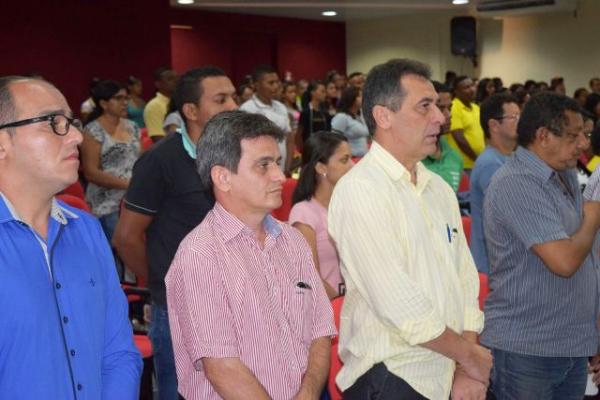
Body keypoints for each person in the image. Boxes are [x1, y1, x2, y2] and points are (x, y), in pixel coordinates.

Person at [328, 59, 490, 400]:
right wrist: (470, 356)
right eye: (424, 107)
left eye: (438, 106)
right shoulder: (361, 191)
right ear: (384, 116)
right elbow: (401, 306)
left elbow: (464, 279)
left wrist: (465, 367)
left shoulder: (438, 189)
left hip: (450, 368)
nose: (440, 118)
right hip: (393, 374)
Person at [165, 110, 336, 399]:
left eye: (278, 163)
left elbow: (320, 330)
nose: (280, 176)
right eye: (263, 165)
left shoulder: (293, 240)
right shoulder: (199, 255)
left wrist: (307, 393)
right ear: (222, 177)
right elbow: (222, 366)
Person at [0, 76, 142, 398]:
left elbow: (118, 352)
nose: (76, 136)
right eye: (53, 123)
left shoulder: (86, 229)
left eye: (72, 122)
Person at [113, 66, 237, 400]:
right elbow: (126, 237)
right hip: (181, 311)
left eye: (234, 97)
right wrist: (163, 283)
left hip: (235, 299)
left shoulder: (236, 156)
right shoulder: (160, 161)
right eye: (221, 99)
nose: (233, 106)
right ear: (191, 111)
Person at [481, 92, 600, 399]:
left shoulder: (564, 175)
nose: (584, 144)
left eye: (584, 135)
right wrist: (593, 215)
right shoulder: (516, 182)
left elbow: (587, 258)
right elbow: (564, 261)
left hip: (569, 342)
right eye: (573, 136)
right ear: (543, 136)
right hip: (528, 350)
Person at [289, 131, 353, 300]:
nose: (352, 166)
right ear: (321, 167)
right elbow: (310, 278)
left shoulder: (348, 206)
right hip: (329, 308)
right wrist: (342, 303)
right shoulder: (303, 213)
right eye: (344, 160)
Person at [81, 80, 141, 242]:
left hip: (132, 199)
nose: (124, 102)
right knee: (116, 253)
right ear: (104, 103)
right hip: (107, 203)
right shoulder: (93, 130)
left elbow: (138, 160)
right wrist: (128, 184)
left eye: (126, 98)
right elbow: (91, 173)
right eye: (118, 98)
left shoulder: (132, 126)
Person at [469, 93, 519, 274]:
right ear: (494, 125)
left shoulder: (512, 158)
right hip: (494, 266)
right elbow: (510, 214)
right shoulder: (490, 163)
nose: (520, 121)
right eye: (513, 117)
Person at [240, 64, 293, 174]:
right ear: (256, 85)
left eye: (277, 82)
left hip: (281, 169)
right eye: (270, 83)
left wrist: (288, 167)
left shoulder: (281, 107)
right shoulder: (247, 109)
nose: (276, 86)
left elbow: (289, 139)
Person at [422, 81, 464, 192]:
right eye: (440, 108)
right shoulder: (410, 159)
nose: (448, 115)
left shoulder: (455, 158)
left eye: (449, 108)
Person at [447, 76, 485, 171]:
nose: (472, 89)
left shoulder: (476, 108)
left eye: (472, 85)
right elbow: (459, 138)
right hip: (463, 164)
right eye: (466, 88)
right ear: (456, 92)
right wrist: (476, 159)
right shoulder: (454, 107)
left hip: (477, 162)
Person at [331, 86, 369, 157]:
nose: (363, 99)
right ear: (352, 99)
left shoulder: (360, 114)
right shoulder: (341, 117)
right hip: (350, 158)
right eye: (360, 96)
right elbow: (334, 139)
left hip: (363, 156)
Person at [143, 67, 177, 142]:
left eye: (177, 78)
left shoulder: (181, 101)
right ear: (158, 84)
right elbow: (158, 139)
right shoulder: (154, 106)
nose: (175, 81)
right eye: (170, 79)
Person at [297, 81, 331, 150]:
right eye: (322, 91)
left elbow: (329, 133)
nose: (325, 94)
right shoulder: (306, 112)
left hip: (324, 149)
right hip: (310, 149)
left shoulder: (325, 113)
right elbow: (299, 134)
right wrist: (302, 151)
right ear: (313, 93)